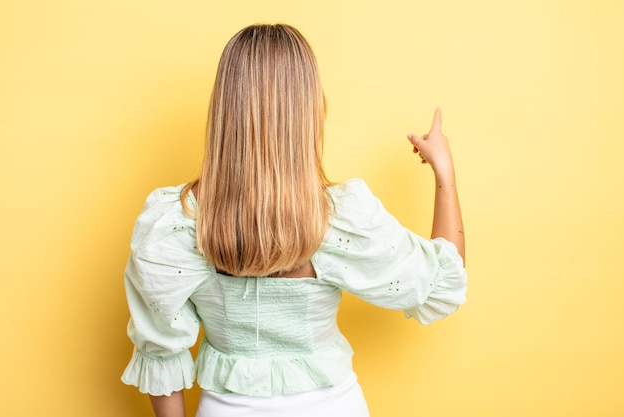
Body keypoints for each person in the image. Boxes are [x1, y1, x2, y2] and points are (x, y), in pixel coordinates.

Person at [121, 23, 467, 417]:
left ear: (224, 109)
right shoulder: (342, 219)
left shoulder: (174, 224)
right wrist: (445, 172)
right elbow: (444, 278)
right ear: (307, 109)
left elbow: (160, 350)